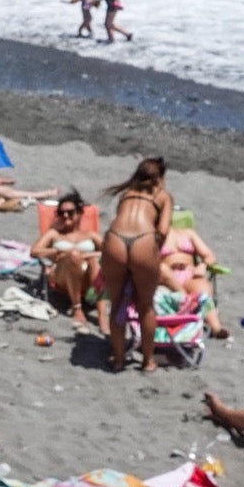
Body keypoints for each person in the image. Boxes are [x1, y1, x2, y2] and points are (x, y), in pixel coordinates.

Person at [101, 157, 171, 372]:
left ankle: (119, 358)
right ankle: (148, 360)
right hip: (143, 240)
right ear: (159, 178)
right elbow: (163, 231)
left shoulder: (126, 194)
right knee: (146, 306)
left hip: (115, 239)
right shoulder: (163, 196)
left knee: (116, 302)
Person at [30, 190, 103, 329]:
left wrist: (86, 256)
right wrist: (58, 251)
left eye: (70, 212)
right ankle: (77, 308)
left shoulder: (90, 235)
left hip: (88, 278)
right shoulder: (54, 234)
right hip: (61, 275)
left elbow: (110, 252)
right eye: (61, 213)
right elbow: (34, 251)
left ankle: (101, 313)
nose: (65, 215)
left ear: (80, 213)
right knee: (73, 256)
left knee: (95, 262)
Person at [159, 225, 229, 339]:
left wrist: (203, 265)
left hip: (190, 275)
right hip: (168, 278)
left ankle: (217, 329)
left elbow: (210, 256)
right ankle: (186, 305)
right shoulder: (154, 237)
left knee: (203, 289)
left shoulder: (188, 233)